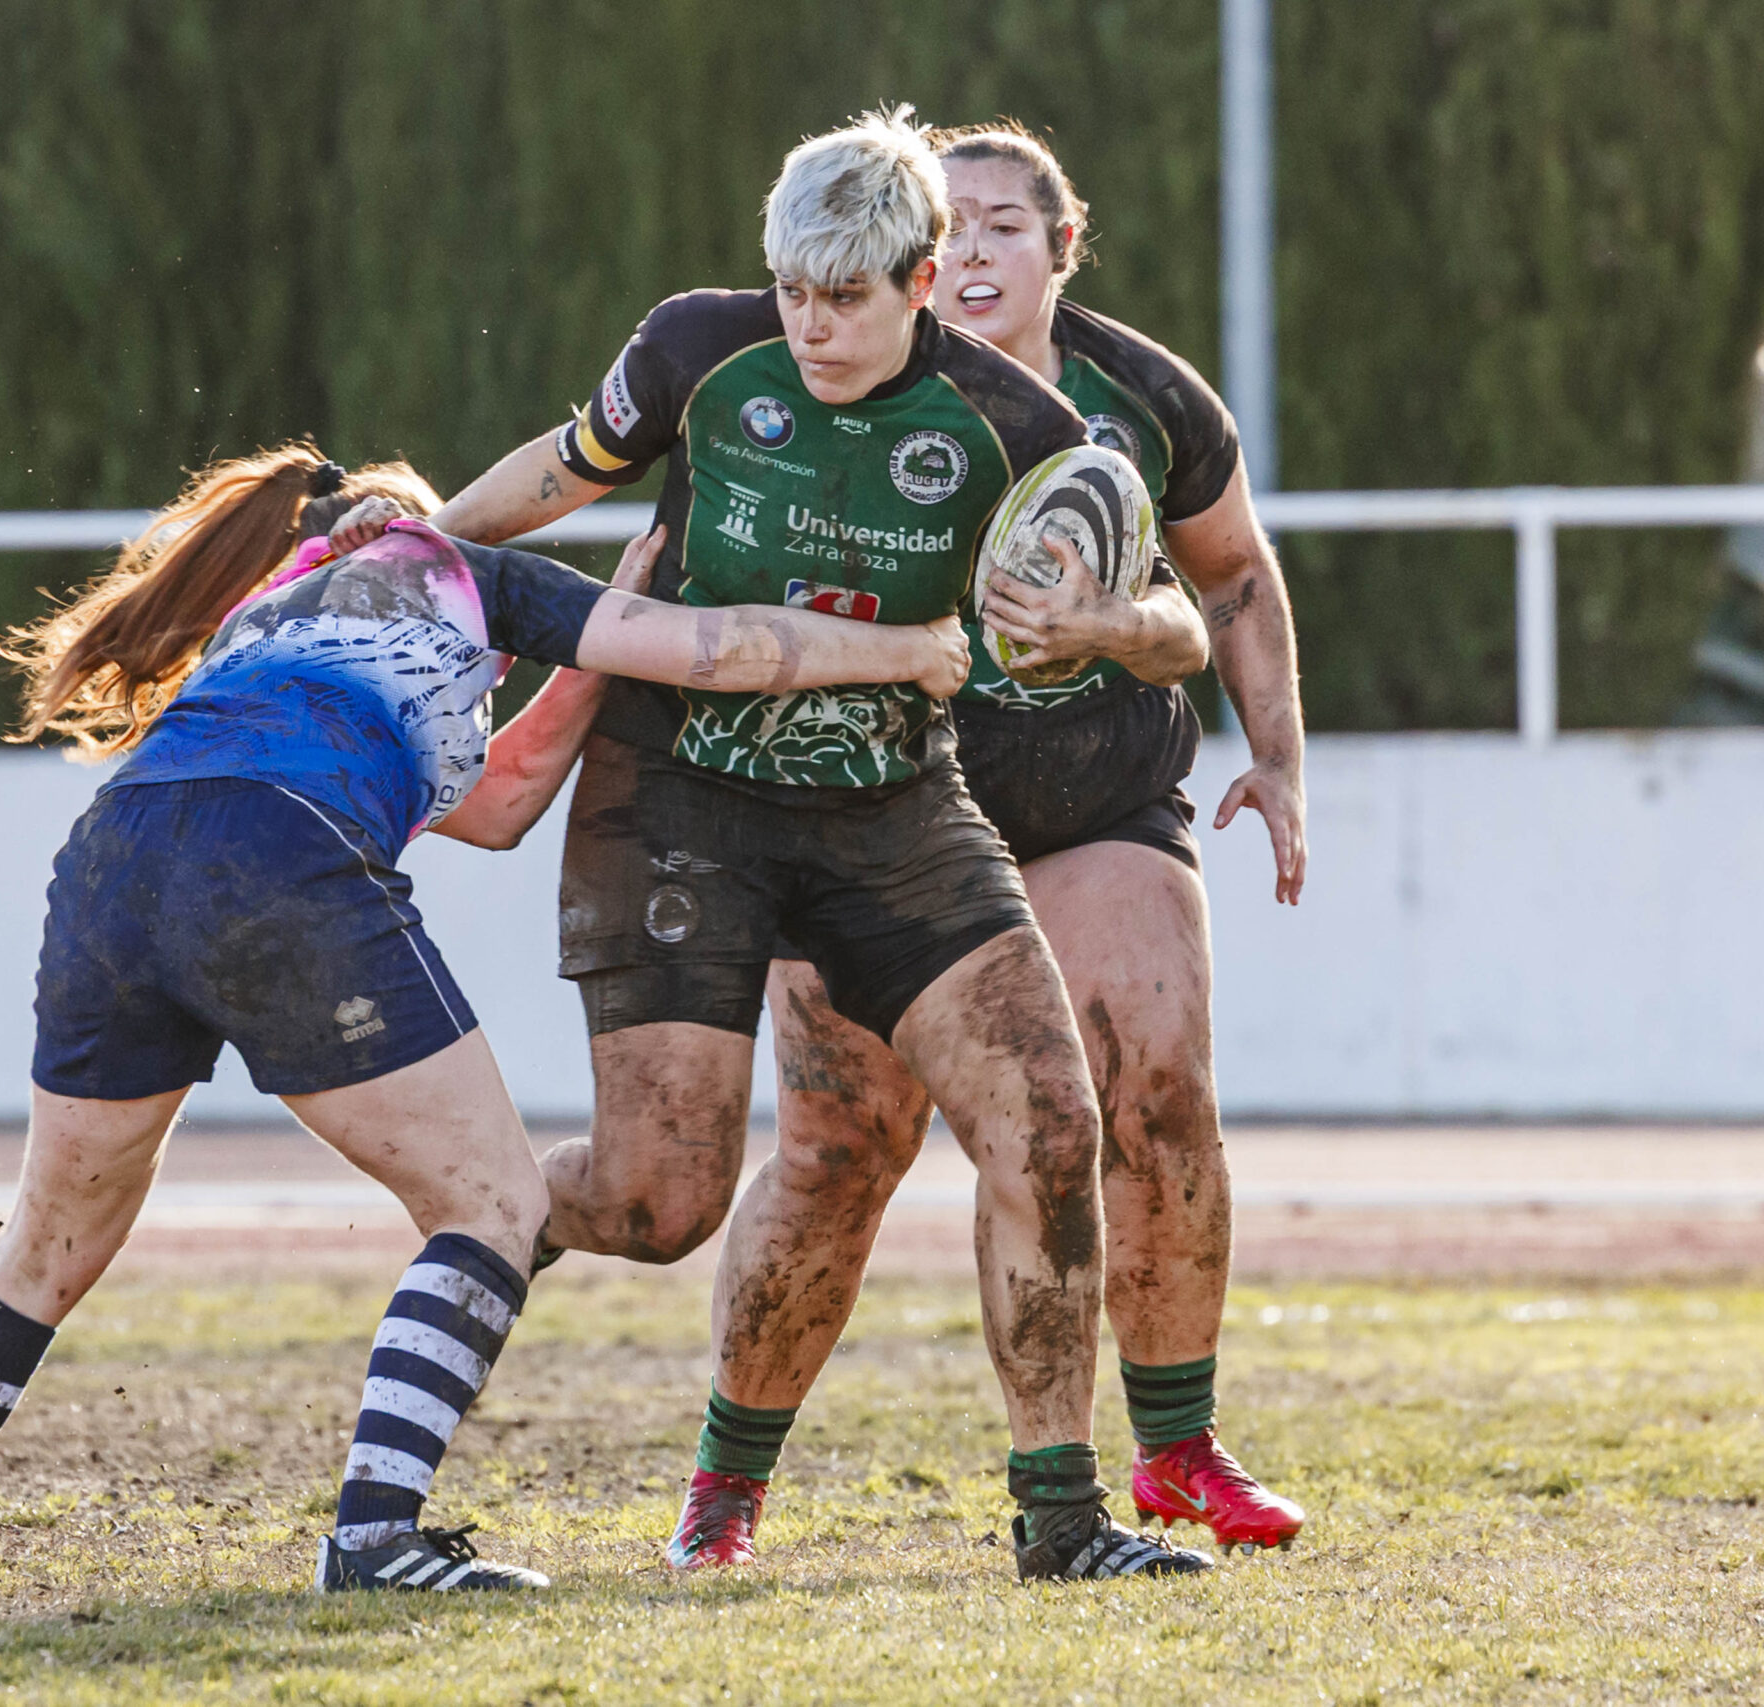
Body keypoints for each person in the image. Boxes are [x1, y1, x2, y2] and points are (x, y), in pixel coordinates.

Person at [0, 442, 970, 1606]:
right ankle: (372, 1540)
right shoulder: (473, 574)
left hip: (115, 858)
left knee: (47, 1245)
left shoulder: (264, 614)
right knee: (495, 1204)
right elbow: (724, 652)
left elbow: (500, 801)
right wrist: (908, 648)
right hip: (276, 856)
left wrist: (583, 669)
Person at [332, 108, 1211, 1581]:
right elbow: (561, 472)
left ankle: (1062, 1520)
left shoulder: (1015, 424)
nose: (810, 324)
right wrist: (401, 557)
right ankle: (495, 1210)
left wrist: (1108, 622)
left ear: (922, 281)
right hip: (679, 800)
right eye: (793, 289)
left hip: (897, 810)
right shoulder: (697, 348)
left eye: (847, 297)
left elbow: (1181, 620)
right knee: (659, 1201)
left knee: (1053, 1129)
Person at [687, 122, 1311, 1565]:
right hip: (874, 806)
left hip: (1097, 800)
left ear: (1061, 247)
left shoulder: (1143, 398)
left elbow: (1228, 578)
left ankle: (1175, 1448)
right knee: (844, 1147)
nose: (970, 253)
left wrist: (1276, 756)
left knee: (1157, 1093)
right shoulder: (815, 379)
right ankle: (727, 1481)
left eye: (1003, 227)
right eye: (947, 229)